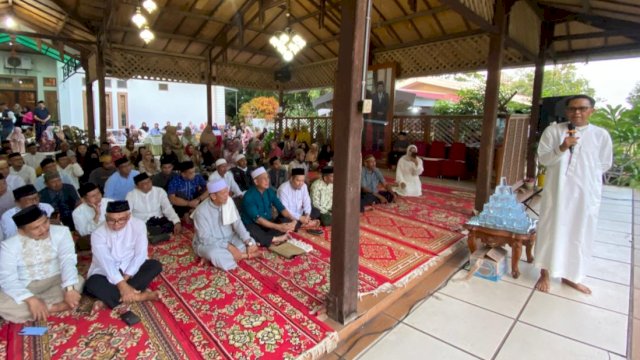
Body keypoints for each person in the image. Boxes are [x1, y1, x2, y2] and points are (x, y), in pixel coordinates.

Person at [534, 95, 613, 294]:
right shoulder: (554, 131)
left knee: (579, 232)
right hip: (557, 191)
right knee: (551, 229)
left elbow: (604, 164)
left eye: (582, 108)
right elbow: (543, 159)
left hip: (585, 194)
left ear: (591, 111)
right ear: (567, 111)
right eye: (572, 109)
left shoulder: (600, 135)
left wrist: (583, 178)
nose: (577, 112)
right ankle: (545, 272)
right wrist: (563, 147)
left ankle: (572, 275)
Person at [0, 205, 83, 323]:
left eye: (45, 222)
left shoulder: (62, 232)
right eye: (36, 228)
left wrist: (69, 289)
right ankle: (54, 307)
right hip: (26, 284)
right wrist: (31, 299)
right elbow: (8, 279)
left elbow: (67, 260)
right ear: (21, 231)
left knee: (77, 282)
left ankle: (39, 308)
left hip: (56, 279)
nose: (44, 229)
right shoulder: (8, 246)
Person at [84, 201, 162, 311]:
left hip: (129, 268)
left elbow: (140, 254)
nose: (116, 224)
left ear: (129, 216)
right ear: (106, 217)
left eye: (121, 220)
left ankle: (112, 298)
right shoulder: (98, 233)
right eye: (111, 220)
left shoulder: (138, 225)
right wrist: (122, 285)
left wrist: (124, 281)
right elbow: (106, 263)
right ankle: (139, 296)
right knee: (92, 283)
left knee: (155, 265)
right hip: (106, 272)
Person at [193, 179, 259, 271]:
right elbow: (205, 238)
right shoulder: (201, 212)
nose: (227, 195)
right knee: (216, 255)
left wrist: (248, 242)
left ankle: (213, 258)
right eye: (223, 193)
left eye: (227, 192)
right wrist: (229, 247)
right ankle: (245, 255)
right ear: (213, 196)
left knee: (252, 242)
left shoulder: (229, 201)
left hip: (229, 237)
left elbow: (237, 223)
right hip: (209, 243)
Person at [241, 167, 296, 247]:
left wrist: (293, 220)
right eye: (263, 178)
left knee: (286, 220)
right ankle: (275, 238)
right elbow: (258, 220)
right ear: (256, 182)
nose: (267, 180)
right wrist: (278, 227)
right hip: (254, 224)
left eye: (267, 177)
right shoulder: (248, 196)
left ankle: (265, 239)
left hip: (268, 223)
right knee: (250, 230)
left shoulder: (270, 191)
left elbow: (281, 208)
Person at [126, 173, 181, 239]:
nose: (148, 184)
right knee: (138, 229)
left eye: (149, 181)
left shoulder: (159, 191)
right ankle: (158, 235)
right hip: (142, 222)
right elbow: (127, 213)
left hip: (158, 221)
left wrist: (176, 222)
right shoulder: (131, 195)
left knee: (170, 225)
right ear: (137, 186)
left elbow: (167, 208)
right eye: (144, 183)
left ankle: (153, 235)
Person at [370, 81, 389, 151]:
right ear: (377, 88)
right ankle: (374, 146)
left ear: (383, 88)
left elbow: (387, 105)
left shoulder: (386, 95)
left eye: (381, 87)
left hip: (383, 116)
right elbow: (372, 105)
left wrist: (382, 112)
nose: (380, 88)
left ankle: (381, 146)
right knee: (374, 132)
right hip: (375, 116)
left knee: (382, 132)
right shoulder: (373, 95)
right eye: (379, 87)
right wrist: (377, 112)